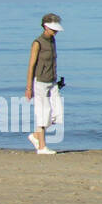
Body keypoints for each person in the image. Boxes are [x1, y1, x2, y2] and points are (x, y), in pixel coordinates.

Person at [25, 13, 63, 155]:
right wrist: (29, 87)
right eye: (54, 29)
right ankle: (42, 147)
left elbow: (52, 63)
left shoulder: (53, 41)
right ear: (46, 27)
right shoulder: (37, 43)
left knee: (57, 113)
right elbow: (31, 65)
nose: (56, 32)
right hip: (40, 82)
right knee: (43, 113)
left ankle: (35, 135)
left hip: (52, 82)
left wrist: (57, 81)